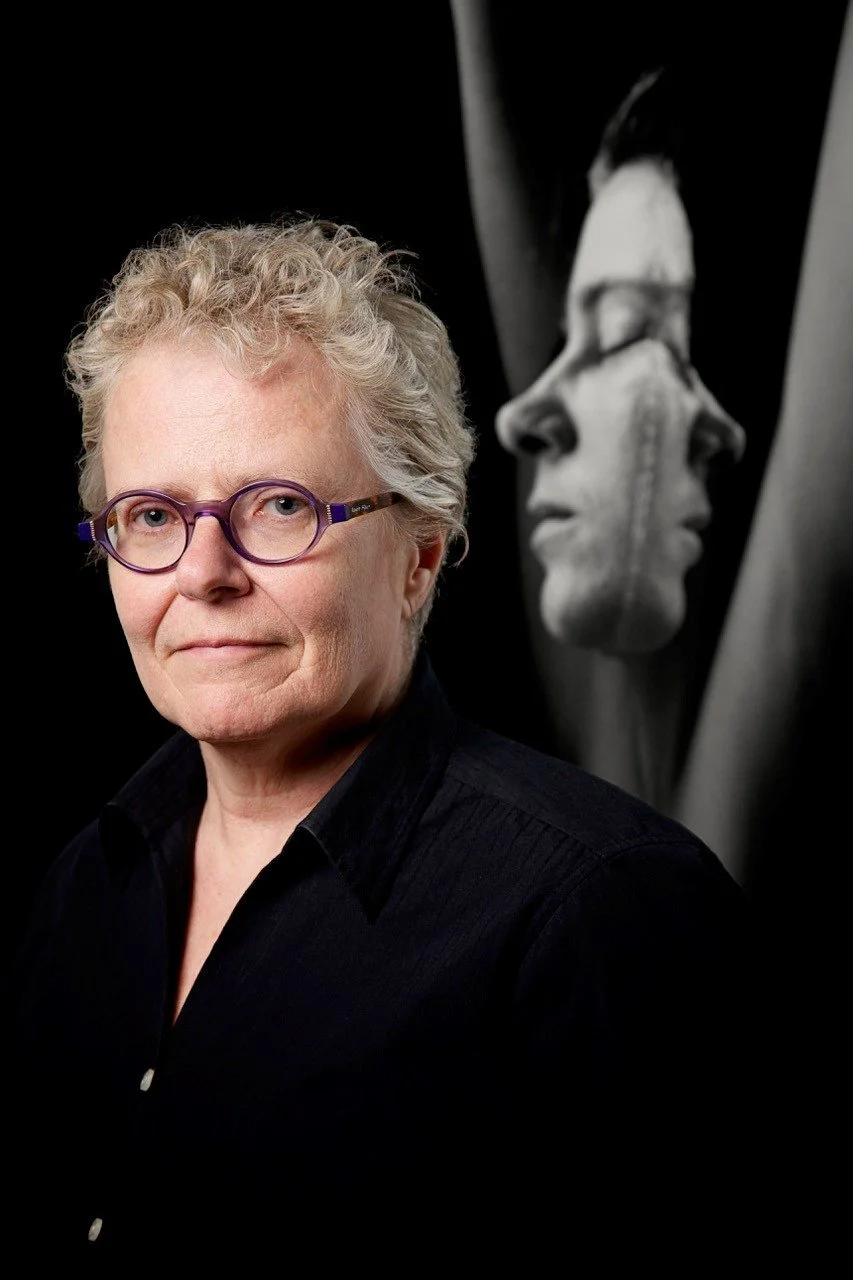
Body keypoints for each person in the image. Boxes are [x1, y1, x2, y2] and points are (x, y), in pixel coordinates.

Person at [7, 216, 768, 1265]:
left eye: (279, 505)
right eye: (150, 516)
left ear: (420, 555)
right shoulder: (83, 887)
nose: (204, 573)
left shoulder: (601, 910)